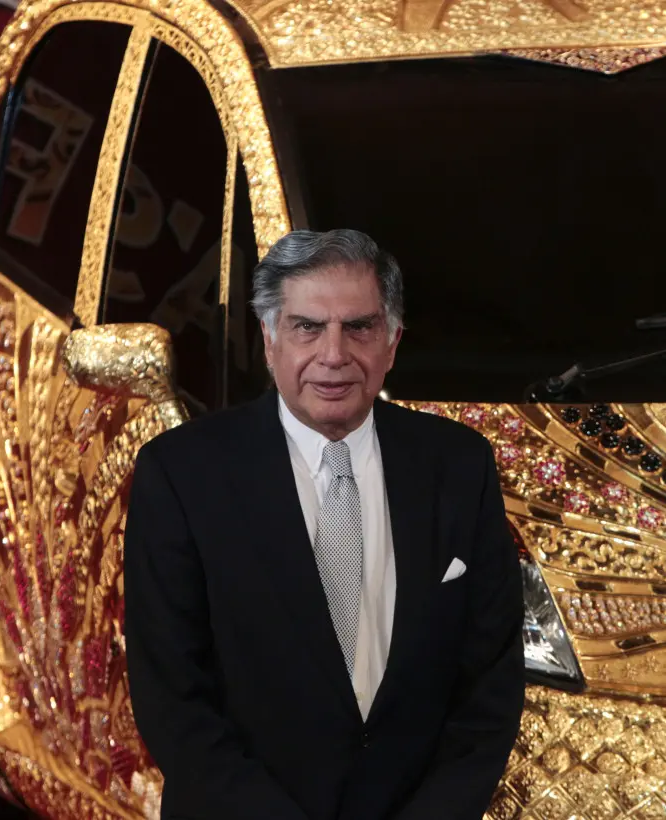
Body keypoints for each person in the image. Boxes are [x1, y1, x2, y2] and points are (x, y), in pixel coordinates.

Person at [123, 229, 524, 819]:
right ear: (269, 339)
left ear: (391, 341)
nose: (333, 355)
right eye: (307, 327)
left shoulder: (460, 466)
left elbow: (489, 688)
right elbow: (174, 703)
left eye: (358, 327)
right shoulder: (181, 474)